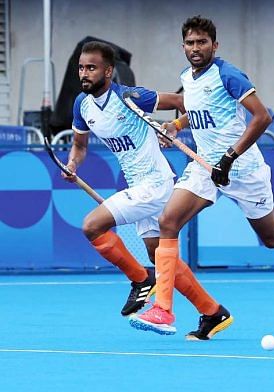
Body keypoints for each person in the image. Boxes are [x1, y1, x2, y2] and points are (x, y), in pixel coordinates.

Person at [129, 16, 274, 335]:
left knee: (273, 237)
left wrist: (230, 156)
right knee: (168, 221)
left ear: (215, 45)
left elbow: (261, 117)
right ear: (183, 46)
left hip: (243, 167)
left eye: (202, 42)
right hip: (205, 166)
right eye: (190, 43)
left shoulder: (229, 75)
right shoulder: (188, 78)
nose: (196, 48)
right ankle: (163, 310)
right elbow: (197, 112)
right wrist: (176, 126)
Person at [65, 41, 232, 340]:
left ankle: (141, 280)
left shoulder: (131, 97)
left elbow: (184, 102)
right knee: (161, 257)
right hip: (139, 185)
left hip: (155, 185)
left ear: (108, 71)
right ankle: (212, 312)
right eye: (81, 67)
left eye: (91, 68)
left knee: (92, 226)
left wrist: (176, 127)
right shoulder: (82, 105)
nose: (84, 73)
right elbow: (79, 146)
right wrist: (73, 165)